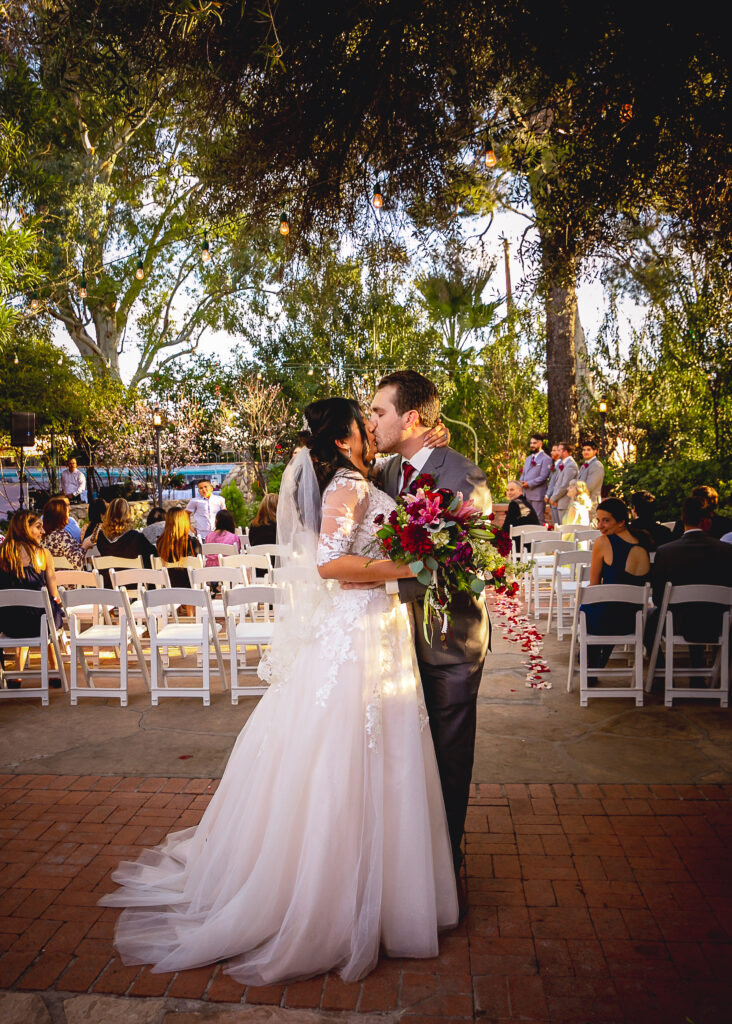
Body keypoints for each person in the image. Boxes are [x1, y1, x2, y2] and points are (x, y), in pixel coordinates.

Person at [100, 396, 457, 983]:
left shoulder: (359, 480)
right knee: (345, 753)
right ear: (341, 442)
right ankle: (331, 899)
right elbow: (329, 566)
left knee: (378, 751)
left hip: (374, 626)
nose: (370, 427)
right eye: (360, 423)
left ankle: (388, 891)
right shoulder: (348, 486)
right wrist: (413, 565)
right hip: (358, 626)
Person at [368, 370, 492, 881]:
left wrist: (375, 584)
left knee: (448, 756)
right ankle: (407, 865)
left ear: (411, 417)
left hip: (448, 642)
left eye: (378, 412)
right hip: (390, 643)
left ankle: (446, 866)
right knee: (403, 756)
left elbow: (464, 565)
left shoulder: (464, 475)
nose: (371, 421)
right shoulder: (386, 473)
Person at [647, 497, 732, 664]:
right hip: (717, 623)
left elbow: (658, 597)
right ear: (706, 521)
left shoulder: (666, 552)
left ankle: (660, 669)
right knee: (700, 608)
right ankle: (703, 667)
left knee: (647, 619)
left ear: (683, 519)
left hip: (676, 623)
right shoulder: (726, 551)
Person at [580, 498, 652, 677]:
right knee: (608, 607)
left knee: (587, 607)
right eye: (598, 520)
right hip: (635, 621)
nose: (600, 526)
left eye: (606, 520)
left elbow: (594, 587)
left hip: (606, 622)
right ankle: (595, 666)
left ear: (621, 521)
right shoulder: (645, 542)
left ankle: (590, 667)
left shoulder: (603, 542)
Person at [0, 511, 64, 686]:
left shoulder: (1, 554)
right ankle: (54, 669)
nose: (43, 532)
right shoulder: (43, 555)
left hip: (8, 625)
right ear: (24, 528)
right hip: (39, 624)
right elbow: (53, 593)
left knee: (25, 610)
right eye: (38, 527)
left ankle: (18, 672)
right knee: (48, 612)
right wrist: (60, 603)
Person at [96, 498, 157, 581]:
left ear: (108, 514)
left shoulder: (101, 538)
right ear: (128, 514)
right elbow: (154, 556)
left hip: (110, 586)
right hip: (135, 585)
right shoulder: (135, 537)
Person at [157, 508, 202, 588]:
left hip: (169, 590)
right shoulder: (193, 543)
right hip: (191, 591)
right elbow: (200, 568)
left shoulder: (160, 543)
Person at [42, 497, 85, 570]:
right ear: (60, 516)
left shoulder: (42, 536)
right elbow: (78, 563)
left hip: (51, 578)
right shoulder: (61, 536)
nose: (69, 513)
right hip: (69, 579)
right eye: (67, 513)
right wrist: (85, 546)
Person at [519, 433, 552, 522]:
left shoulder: (546, 459)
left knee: (538, 519)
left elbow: (543, 476)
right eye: (531, 443)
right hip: (526, 494)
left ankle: (540, 536)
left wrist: (529, 484)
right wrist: (521, 482)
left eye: (534, 443)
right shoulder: (528, 458)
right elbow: (524, 473)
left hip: (537, 495)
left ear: (540, 444)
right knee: (527, 519)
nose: (532, 445)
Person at [503, 479, 540, 549]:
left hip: (522, 547)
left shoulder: (514, 504)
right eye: (507, 490)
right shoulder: (526, 503)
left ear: (520, 491)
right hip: (534, 544)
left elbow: (506, 528)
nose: (509, 493)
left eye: (512, 490)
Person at [549, 441, 578, 526]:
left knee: (564, 530)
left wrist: (553, 498)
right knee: (558, 530)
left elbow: (565, 485)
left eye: (559, 450)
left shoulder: (570, 465)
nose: (557, 452)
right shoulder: (563, 464)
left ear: (565, 452)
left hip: (565, 503)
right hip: (559, 502)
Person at [578, 441, 605, 515]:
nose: (585, 452)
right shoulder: (584, 465)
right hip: (581, 503)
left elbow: (589, 486)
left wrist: (575, 492)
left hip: (591, 504)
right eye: (584, 450)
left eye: (588, 450)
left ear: (595, 451)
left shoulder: (597, 465)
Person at [544, 443, 561, 524]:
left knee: (558, 524)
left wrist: (547, 495)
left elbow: (554, 482)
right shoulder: (555, 464)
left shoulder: (561, 465)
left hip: (557, 499)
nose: (551, 452)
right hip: (553, 500)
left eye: (554, 450)